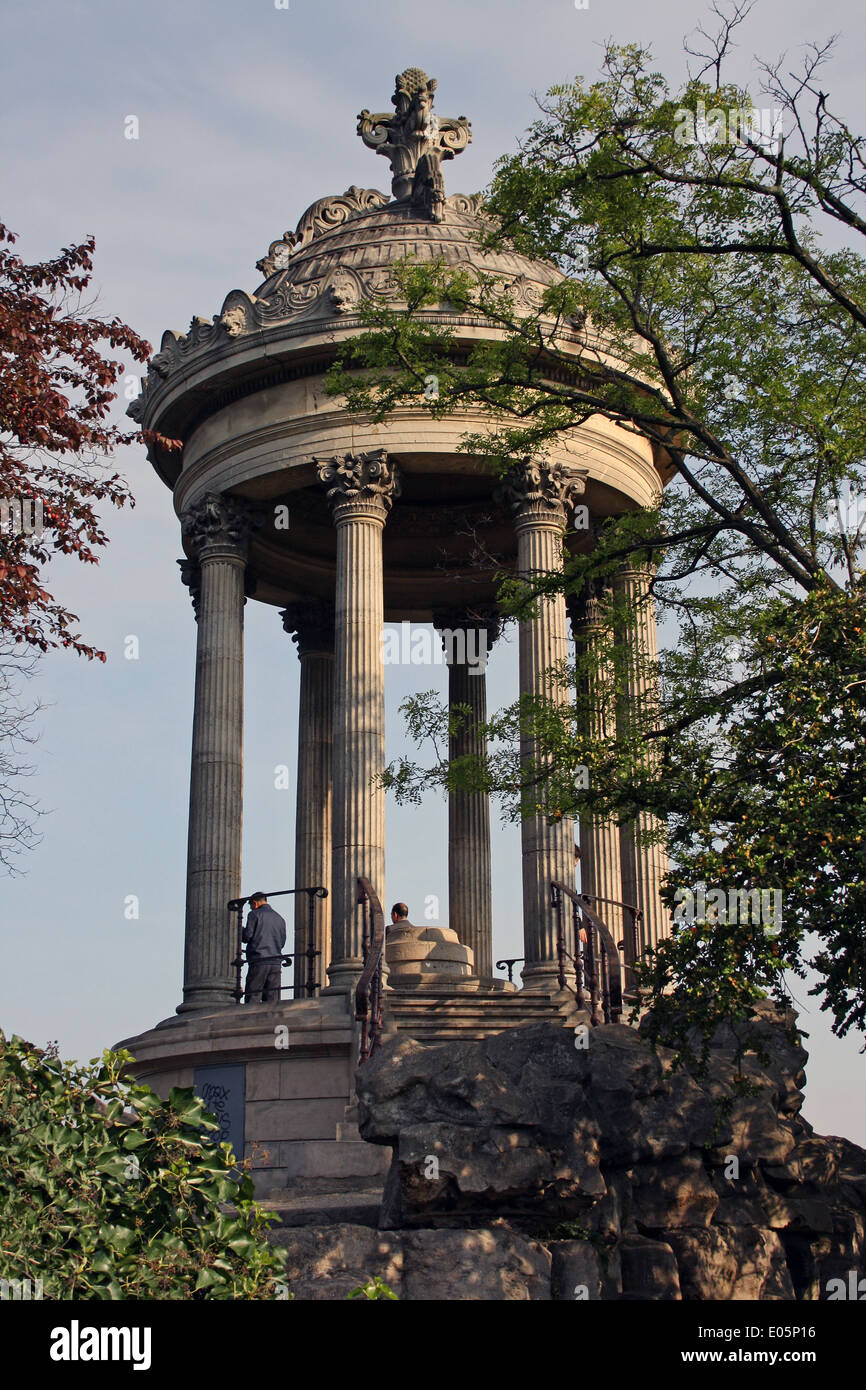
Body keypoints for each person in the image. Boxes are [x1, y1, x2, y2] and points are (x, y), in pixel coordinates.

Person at [242, 892, 287, 1003]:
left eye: (251, 906)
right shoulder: (279, 918)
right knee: (273, 999)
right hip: (276, 962)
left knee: (253, 996)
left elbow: (247, 936)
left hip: (259, 960)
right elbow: (282, 942)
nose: (251, 908)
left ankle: (250, 1019)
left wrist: (240, 930)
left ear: (255, 903)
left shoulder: (254, 914)